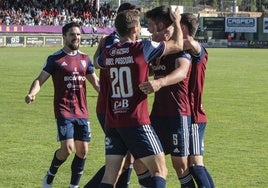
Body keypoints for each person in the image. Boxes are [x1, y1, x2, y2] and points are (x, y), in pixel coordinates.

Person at [95, 7, 183, 188]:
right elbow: (178, 45)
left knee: (109, 177)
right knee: (160, 171)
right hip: (136, 121)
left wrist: (101, 45)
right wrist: (176, 22)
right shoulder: (142, 48)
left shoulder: (109, 52)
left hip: (113, 121)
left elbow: (96, 62)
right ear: (135, 29)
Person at [25, 22, 100, 188]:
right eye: (73, 34)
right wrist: (32, 93)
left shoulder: (85, 59)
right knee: (67, 149)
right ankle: (50, 175)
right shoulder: (55, 59)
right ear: (64, 36)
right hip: (64, 109)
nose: (76, 38)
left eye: (79, 35)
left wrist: (108, 94)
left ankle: (74, 186)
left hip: (82, 110)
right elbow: (40, 79)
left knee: (83, 151)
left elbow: (95, 82)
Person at [139, 6, 195, 188]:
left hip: (178, 114)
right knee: (143, 159)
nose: (147, 30)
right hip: (157, 115)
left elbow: (182, 72)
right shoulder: (157, 51)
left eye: (150, 25)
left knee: (180, 164)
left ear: (160, 25)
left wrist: (159, 82)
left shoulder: (180, 48)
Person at [84, 3, 136, 188]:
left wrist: (98, 50)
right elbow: (105, 63)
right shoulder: (116, 41)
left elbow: (98, 62)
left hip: (112, 105)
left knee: (125, 156)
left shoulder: (109, 39)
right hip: (111, 106)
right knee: (121, 157)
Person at [181, 13, 215, 188]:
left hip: (194, 115)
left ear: (184, 28)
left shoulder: (197, 49)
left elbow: (190, 43)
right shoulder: (185, 52)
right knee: (188, 163)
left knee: (194, 163)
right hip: (187, 114)